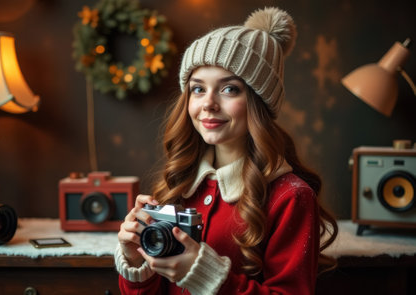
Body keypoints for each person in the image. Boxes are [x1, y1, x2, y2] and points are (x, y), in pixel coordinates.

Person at [115, 6, 338, 295]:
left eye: (229, 89)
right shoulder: (179, 185)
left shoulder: (290, 197)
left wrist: (209, 277)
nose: (208, 103)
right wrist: (136, 261)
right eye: (198, 89)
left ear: (259, 102)